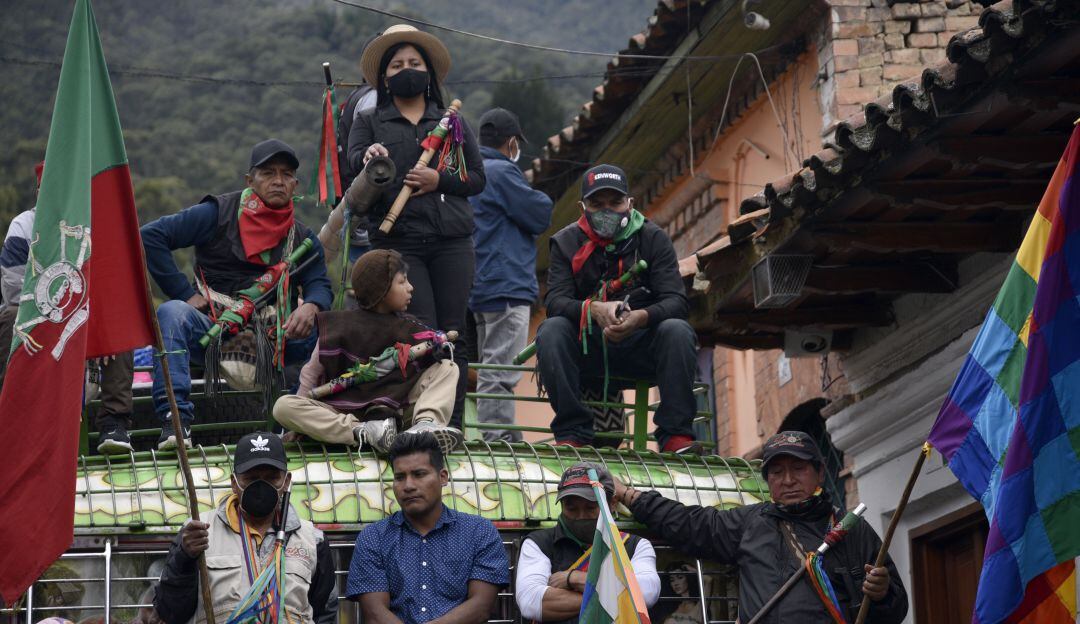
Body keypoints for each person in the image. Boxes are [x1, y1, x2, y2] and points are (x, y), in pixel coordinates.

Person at [141, 139, 332, 450]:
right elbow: (151, 237)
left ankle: (302, 425)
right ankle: (175, 424)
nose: (278, 181)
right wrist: (183, 293)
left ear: (296, 183)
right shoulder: (216, 213)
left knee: (331, 332)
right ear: (250, 180)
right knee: (171, 313)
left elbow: (319, 283)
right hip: (211, 330)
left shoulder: (302, 237)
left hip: (273, 337)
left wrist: (310, 305)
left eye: (286, 174)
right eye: (268, 173)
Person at [612, 431, 908, 623]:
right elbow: (688, 523)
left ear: (819, 472)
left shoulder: (851, 529)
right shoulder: (749, 523)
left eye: (798, 469)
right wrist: (627, 494)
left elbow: (896, 610)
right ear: (768, 481)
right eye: (777, 472)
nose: (788, 480)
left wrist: (882, 592)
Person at [347, 24, 485, 428]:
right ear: (384, 78)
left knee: (455, 333)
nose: (406, 70)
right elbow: (353, 163)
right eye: (397, 65)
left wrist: (438, 180)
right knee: (421, 334)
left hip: (452, 242)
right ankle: (420, 422)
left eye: (414, 63)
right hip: (399, 244)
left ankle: (452, 426)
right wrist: (368, 159)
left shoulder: (452, 122)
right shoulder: (370, 121)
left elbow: (477, 178)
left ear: (428, 72)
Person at [535, 164, 700, 453]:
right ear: (582, 207)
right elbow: (555, 302)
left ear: (630, 203)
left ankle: (675, 435)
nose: (607, 210)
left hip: (641, 348)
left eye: (615, 202)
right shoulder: (565, 242)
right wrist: (594, 309)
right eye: (597, 204)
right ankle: (572, 431)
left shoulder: (653, 238)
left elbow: (676, 301)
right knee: (551, 329)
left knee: (677, 329)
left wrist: (641, 318)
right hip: (589, 350)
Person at [1, 161, 137, 454]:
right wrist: (61, 314)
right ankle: (12, 414)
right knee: (9, 316)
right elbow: (14, 290)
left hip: (89, 319)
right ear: (39, 192)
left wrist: (100, 324)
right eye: (49, 189)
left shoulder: (99, 225)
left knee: (119, 325)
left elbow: (114, 287)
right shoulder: (24, 226)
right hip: (39, 317)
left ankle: (114, 423)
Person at [273, 249, 464, 455]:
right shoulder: (338, 327)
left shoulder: (411, 328)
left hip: (395, 412)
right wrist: (298, 425)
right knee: (284, 406)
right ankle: (363, 432)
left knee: (447, 368)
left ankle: (424, 426)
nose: (410, 288)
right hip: (343, 413)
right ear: (381, 290)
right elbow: (310, 375)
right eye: (402, 282)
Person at [154, 432, 338, 624]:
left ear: (286, 482)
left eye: (271, 478)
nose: (261, 486)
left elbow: (325, 612)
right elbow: (170, 613)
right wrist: (184, 558)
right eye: (251, 479)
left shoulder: (312, 539)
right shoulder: (197, 532)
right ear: (234, 483)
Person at [345, 432, 509, 624]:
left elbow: (481, 607)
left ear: (443, 477)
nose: (408, 486)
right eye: (399, 477)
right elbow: (374, 614)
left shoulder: (479, 532)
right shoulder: (374, 537)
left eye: (419, 474)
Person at [469, 108, 553, 443]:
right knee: (501, 367)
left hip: (480, 284)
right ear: (512, 142)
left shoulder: (472, 175)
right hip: (506, 283)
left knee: (491, 360)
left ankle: (494, 429)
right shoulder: (502, 172)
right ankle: (498, 435)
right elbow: (539, 213)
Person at [515, 463, 660, 623]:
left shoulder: (635, 545)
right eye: (572, 509)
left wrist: (574, 579)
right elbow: (532, 602)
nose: (581, 516)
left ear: (611, 504)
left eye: (590, 507)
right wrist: (618, 595)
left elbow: (646, 592)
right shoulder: (539, 543)